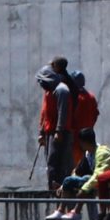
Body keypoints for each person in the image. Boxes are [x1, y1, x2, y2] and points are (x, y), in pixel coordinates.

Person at [58, 128, 110, 220]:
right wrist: (63, 186)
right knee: (69, 180)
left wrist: (84, 189)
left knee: (86, 180)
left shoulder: (102, 153)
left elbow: (98, 174)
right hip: (94, 182)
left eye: (80, 142)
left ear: (84, 142)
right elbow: (78, 171)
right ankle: (60, 210)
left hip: (105, 183)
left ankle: (76, 211)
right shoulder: (88, 154)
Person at [36, 65, 74, 196]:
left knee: (59, 162)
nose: (41, 84)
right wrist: (41, 132)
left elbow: (62, 112)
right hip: (49, 132)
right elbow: (44, 113)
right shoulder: (49, 92)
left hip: (60, 133)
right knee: (51, 162)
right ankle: (52, 186)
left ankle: (60, 187)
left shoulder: (61, 90)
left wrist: (59, 131)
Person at [71, 71, 100, 163]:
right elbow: (95, 114)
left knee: (76, 164)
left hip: (75, 137)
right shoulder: (91, 97)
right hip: (88, 137)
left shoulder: (73, 98)